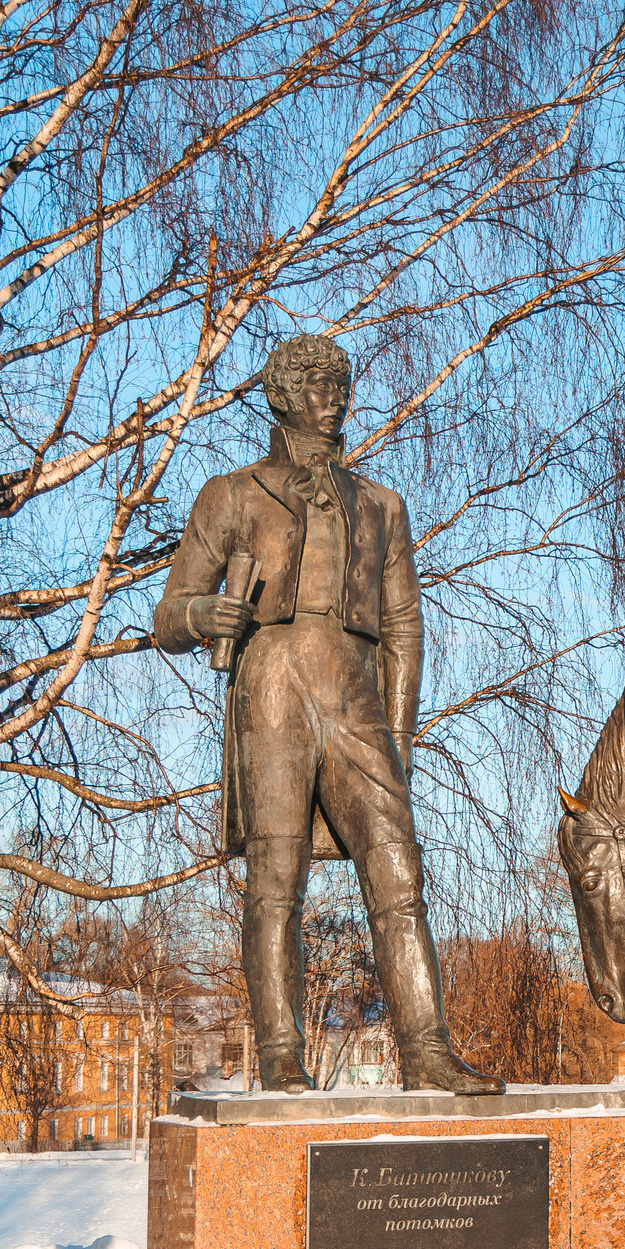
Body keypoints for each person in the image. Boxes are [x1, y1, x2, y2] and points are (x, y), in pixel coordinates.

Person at [153, 335, 501, 1094]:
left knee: (398, 870)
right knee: (277, 880)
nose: (331, 395)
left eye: (338, 381)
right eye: (312, 382)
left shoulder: (381, 505)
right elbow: (167, 616)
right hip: (272, 685)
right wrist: (204, 613)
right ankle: (280, 1052)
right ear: (279, 393)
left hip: (356, 695)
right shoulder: (233, 493)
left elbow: (404, 627)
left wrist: (398, 738)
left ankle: (427, 1051)